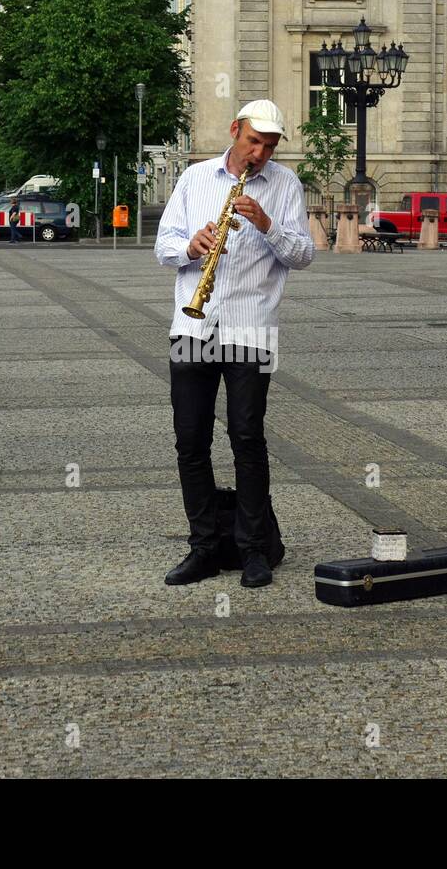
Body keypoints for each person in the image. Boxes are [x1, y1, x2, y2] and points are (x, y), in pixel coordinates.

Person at [155, 99, 314, 589]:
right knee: (190, 441)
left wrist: (268, 225)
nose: (259, 153)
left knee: (247, 439)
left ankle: (252, 549)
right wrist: (190, 247)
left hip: (252, 328)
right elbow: (163, 247)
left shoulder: (285, 185)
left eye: (268, 146)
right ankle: (203, 546)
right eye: (253, 142)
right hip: (192, 326)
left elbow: (304, 254)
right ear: (234, 132)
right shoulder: (195, 179)